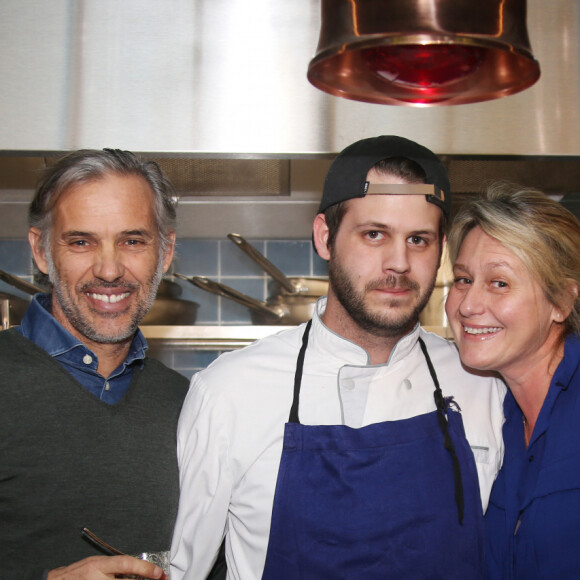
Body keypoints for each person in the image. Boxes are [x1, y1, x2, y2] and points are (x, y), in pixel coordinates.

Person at [171, 135, 506, 580]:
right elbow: (182, 571)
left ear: (440, 249)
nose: (399, 263)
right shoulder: (228, 392)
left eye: (419, 240)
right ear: (325, 237)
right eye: (374, 234)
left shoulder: (484, 386)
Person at [0, 149, 203, 580]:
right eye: (80, 242)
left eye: (132, 241)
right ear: (41, 252)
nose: (109, 270)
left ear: (165, 254)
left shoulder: (187, 404)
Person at [445, 183, 580, 579]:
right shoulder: (496, 413)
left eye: (499, 283)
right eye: (463, 279)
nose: (468, 305)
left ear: (561, 303)